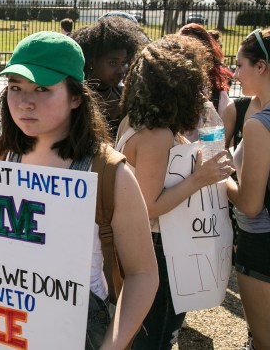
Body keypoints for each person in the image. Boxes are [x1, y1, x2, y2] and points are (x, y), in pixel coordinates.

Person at [0, 31, 158, 348]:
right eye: (15, 87)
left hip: (77, 331)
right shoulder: (3, 156)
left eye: (42, 89)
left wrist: (112, 345)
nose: (25, 102)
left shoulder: (110, 175)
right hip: (5, 324)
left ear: (76, 97)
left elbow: (143, 275)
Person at [116, 35, 233, 350]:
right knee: (158, 334)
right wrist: (201, 178)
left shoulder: (136, 120)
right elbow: (148, 206)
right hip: (159, 245)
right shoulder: (156, 134)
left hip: (150, 242)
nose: (202, 92)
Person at [224, 29, 270, 350]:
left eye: (240, 65)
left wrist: (217, 178)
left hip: (260, 243)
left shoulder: (259, 124)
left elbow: (250, 205)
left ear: (261, 67)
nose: (235, 74)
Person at [71, 16, 146, 138]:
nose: (121, 70)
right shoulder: (78, 99)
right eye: (113, 63)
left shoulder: (125, 96)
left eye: (124, 63)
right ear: (91, 61)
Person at [179, 23, 233, 117]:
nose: (190, 54)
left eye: (196, 49)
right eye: (184, 48)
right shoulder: (171, 83)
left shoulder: (217, 90)